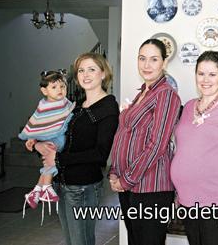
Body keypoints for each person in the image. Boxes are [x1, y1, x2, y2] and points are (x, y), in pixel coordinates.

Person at [38, 53, 119, 245]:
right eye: (81, 70)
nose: (85, 74)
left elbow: (100, 155)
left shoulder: (107, 107)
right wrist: (39, 144)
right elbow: (62, 139)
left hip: (82, 187)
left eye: (92, 69)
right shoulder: (77, 106)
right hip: (62, 183)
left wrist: (58, 159)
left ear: (103, 73)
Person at [171, 51, 218, 245]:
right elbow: (184, 150)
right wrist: (179, 192)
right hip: (189, 201)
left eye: (212, 74)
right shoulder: (188, 107)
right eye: (201, 73)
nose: (205, 80)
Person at [109, 39, 181, 245]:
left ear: (164, 63)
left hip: (152, 189)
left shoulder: (166, 95)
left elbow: (157, 145)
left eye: (153, 59)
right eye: (142, 59)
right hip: (129, 186)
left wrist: (126, 179)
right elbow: (122, 134)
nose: (146, 65)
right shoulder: (142, 93)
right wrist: (115, 171)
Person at [19, 69, 75, 210]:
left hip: (58, 136)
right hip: (50, 140)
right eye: (54, 87)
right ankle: (46, 188)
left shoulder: (65, 102)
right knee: (52, 152)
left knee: (50, 159)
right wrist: (32, 138)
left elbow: (70, 115)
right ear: (44, 91)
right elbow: (36, 122)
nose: (60, 90)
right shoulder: (43, 106)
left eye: (62, 86)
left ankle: (36, 191)